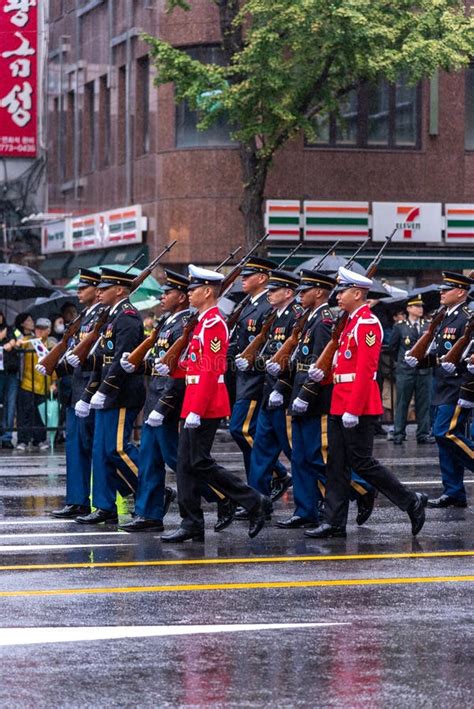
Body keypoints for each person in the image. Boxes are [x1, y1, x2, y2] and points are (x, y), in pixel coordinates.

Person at [304, 266, 428, 539]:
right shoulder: (348, 323)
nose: (337, 295)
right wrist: (323, 374)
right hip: (340, 400)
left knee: (362, 462)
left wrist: (353, 408)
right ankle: (334, 521)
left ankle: (411, 501)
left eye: (344, 290)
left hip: (357, 404)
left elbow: (365, 370)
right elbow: (342, 362)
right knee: (335, 463)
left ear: (358, 293)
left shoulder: (367, 324)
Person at [161, 264, 270, 543]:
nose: (188, 293)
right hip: (195, 399)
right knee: (188, 464)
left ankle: (253, 500)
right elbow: (195, 364)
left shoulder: (213, 323)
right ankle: (193, 522)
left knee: (197, 461)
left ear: (207, 291)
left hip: (204, 403)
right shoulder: (201, 321)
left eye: (193, 289)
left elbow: (211, 369)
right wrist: (174, 367)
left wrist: (196, 410)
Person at [67, 267, 146, 524]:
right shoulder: (111, 317)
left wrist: (103, 390)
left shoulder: (128, 318)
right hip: (107, 395)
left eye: (104, 288)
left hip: (121, 395)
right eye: (98, 288)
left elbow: (120, 361)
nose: (98, 292)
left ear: (120, 290)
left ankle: (151, 491)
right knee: (102, 452)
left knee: (117, 450)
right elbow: (102, 361)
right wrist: (90, 394)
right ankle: (104, 505)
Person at [405, 271, 474, 508]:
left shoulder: (469, 316)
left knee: (446, 432)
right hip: (441, 383)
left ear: (462, 292)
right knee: (443, 440)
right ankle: (453, 490)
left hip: (459, 384)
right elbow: (438, 354)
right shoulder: (443, 315)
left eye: (447, 289)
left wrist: (469, 390)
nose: (441, 292)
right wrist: (420, 360)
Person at [40, 269, 102, 518]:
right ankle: (77, 500)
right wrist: (52, 365)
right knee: (75, 449)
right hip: (74, 389)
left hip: (90, 389)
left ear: (98, 291)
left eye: (83, 288)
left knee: (97, 449)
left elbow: (98, 358)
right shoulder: (84, 317)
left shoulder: (102, 316)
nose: (78, 292)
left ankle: (130, 492)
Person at [239, 269, 302, 513]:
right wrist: (252, 362)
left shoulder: (295, 317)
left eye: (274, 290)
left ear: (288, 292)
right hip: (268, 394)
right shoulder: (274, 317)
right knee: (261, 451)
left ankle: (327, 497)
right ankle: (258, 502)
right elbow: (270, 356)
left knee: (296, 453)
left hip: (284, 396)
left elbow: (297, 360)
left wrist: (279, 388)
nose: (270, 294)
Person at [228, 256, 289, 497]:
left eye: (248, 276)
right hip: (242, 377)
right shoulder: (248, 303)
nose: (243, 279)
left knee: (241, 430)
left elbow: (267, 345)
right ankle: (258, 491)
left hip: (255, 380)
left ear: (262, 278)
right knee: (248, 436)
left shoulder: (267, 306)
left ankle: (278, 474)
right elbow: (239, 338)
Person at [390, 294, 433, 444]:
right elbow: (393, 348)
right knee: (402, 403)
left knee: (423, 403)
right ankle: (399, 434)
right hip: (405, 371)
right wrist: (402, 362)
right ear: (409, 308)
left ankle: (423, 434)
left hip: (424, 371)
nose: (420, 309)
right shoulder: (400, 327)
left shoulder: (428, 326)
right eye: (417, 306)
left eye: (421, 306)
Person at [17, 318, 57, 451]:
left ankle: (39, 440)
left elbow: (55, 364)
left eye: (43, 328)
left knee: (41, 414)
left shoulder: (52, 343)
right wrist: (17, 342)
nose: (39, 331)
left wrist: (54, 382)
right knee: (25, 412)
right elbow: (18, 342)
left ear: (49, 330)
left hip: (44, 384)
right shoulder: (28, 341)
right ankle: (23, 440)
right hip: (27, 383)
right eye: (38, 327)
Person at [0, 312, 20, 449]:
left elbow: (21, 336)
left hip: (11, 370)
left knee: (10, 403)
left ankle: (7, 436)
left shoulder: (12, 329)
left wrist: (13, 341)